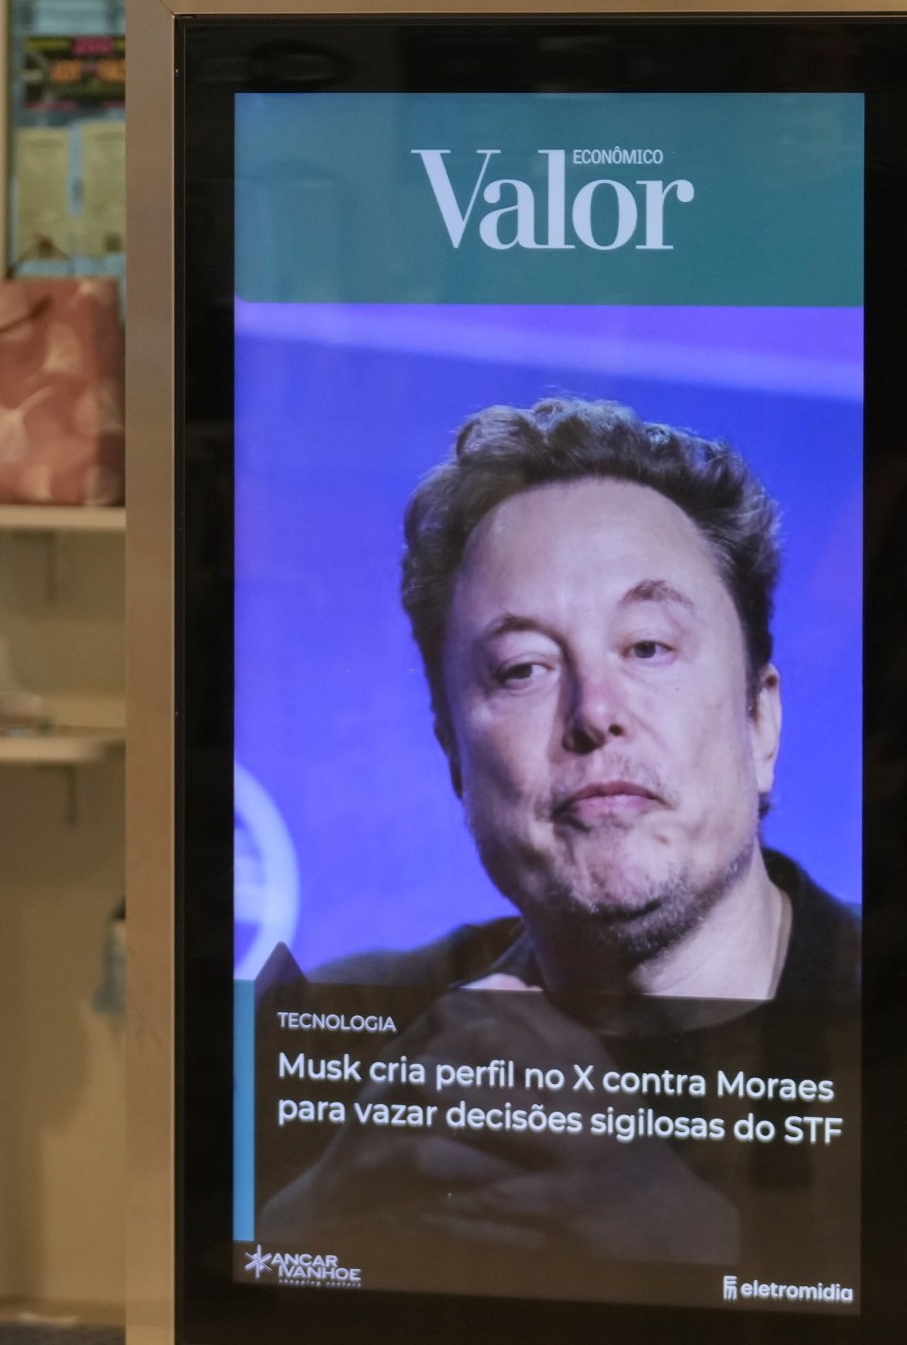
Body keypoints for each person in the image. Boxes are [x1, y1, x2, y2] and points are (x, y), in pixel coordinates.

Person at [250, 398, 859, 1285]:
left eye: (648, 647)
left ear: (761, 719)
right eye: (524, 669)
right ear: (453, 753)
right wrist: (317, 1219)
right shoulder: (339, 1029)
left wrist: (687, 1244)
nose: (595, 714)